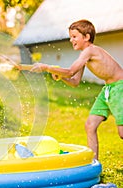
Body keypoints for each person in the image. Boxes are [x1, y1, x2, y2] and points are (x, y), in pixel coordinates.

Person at [30, 19, 123, 160]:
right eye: (70, 36)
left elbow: (70, 71)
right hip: (108, 90)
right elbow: (74, 81)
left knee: (122, 133)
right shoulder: (84, 56)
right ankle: (94, 164)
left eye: (74, 36)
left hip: (119, 88)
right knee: (90, 125)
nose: (70, 40)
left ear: (86, 37)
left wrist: (46, 67)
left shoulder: (90, 50)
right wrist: (61, 77)